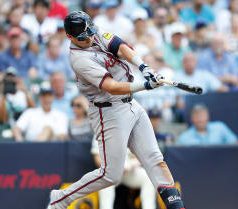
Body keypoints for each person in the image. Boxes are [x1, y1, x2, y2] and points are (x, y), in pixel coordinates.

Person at [47, 11, 185, 209]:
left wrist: (144, 67)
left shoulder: (92, 31)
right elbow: (110, 86)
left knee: (155, 159)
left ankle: (177, 206)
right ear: (70, 37)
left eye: (90, 32)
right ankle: (61, 198)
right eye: (83, 37)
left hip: (131, 104)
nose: (90, 38)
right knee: (110, 175)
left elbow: (120, 46)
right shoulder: (78, 59)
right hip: (108, 111)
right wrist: (145, 86)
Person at [91, 139, 157, 209]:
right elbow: (98, 160)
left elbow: (139, 155)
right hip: (110, 172)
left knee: (148, 178)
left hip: (127, 171)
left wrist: (132, 164)